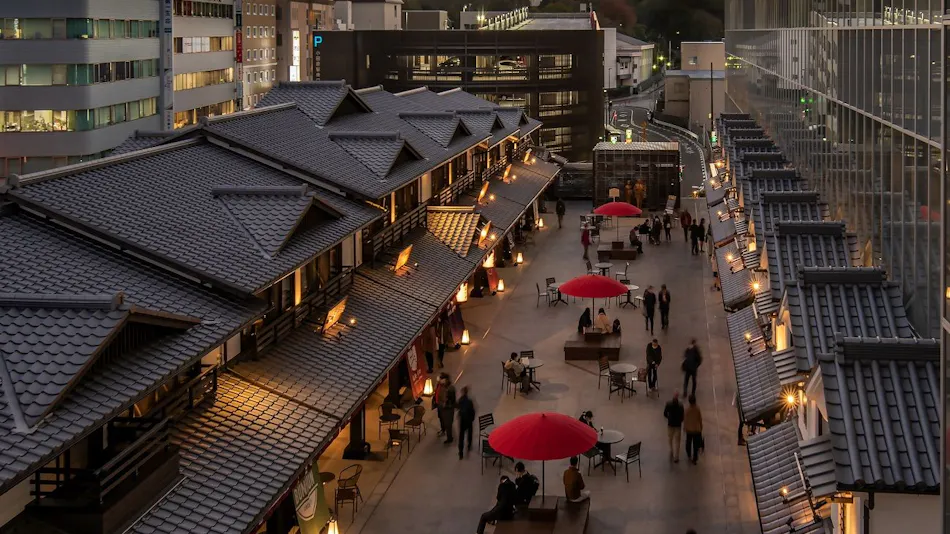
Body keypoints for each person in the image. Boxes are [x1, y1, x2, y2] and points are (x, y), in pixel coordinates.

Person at [663, 391, 685, 463]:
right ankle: (676, 456)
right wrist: (680, 421)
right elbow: (682, 416)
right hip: (678, 425)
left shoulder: (669, 404)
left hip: (670, 424)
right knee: (677, 441)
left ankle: (671, 450)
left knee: (670, 439)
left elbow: (665, 413)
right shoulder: (681, 405)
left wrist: (669, 418)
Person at [457, 386, 476, 459]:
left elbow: (458, 408)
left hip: (462, 421)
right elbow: (472, 411)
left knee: (461, 436)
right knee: (469, 433)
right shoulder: (469, 401)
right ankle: (469, 445)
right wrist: (472, 419)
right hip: (468, 420)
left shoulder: (460, 400)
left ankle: (460, 452)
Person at [437, 373, 457, 444]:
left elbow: (452, 401)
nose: (439, 380)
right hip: (440, 406)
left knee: (448, 424)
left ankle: (449, 438)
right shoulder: (440, 385)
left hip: (448, 409)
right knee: (442, 419)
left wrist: (445, 405)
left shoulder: (451, 389)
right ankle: (443, 430)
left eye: (441, 379)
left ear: (445, 380)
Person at [684, 395, 703, 465]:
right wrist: (701, 426)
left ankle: (689, 454)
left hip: (689, 429)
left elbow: (685, 419)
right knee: (695, 445)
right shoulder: (697, 409)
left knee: (688, 443)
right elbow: (700, 419)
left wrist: (685, 427)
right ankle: (695, 458)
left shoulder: (687, 410)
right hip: (696, 429)